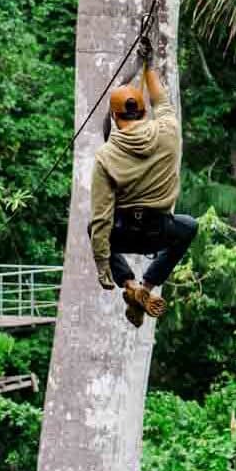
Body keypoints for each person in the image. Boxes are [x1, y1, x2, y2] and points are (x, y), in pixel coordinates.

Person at [88, 38, 198, 328]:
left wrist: (103, 267)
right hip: (159, 231)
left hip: (124, 233)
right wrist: (148, 67)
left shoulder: (106, 155)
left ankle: (129, 284)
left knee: (94, 230)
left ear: (115, 117)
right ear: (144, 112)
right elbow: (161, 100)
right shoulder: (168, 132)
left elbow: (100, 220)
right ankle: (146, 287)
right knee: (188, 226)